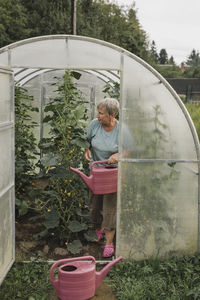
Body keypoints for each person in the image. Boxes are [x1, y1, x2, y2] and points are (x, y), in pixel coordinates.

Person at [84, 97, 119, 258]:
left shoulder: (121, 130)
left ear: (112, 115)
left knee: (110, 208)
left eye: (101, 113)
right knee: (95, 205)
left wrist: (118, 154)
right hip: (96, 172)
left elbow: (129, 150)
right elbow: (86, 142)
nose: (98, 116)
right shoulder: (94, 124)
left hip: (112, 174)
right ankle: (99, 229)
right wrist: (87, 150)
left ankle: (109, 242)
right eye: (98, 112)